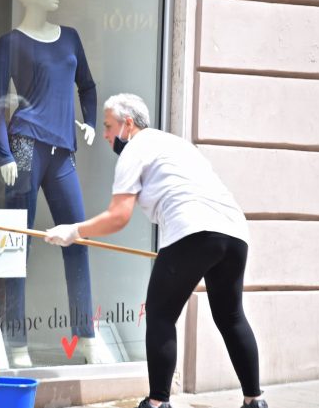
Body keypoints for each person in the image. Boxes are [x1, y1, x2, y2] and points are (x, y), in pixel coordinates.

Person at [45, 94, 267, 408]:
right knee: (231, 316)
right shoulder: (176, 145)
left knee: (161, 315)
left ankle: (157, 402)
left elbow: (119, 216)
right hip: (233, 232)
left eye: (108, 126)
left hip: (192, 229)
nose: (105, 134)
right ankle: (255, 400)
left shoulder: (134, 150)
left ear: (128, 124)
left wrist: (74, 231)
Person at [0, 0, 111, 367]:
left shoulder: (70, 38)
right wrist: (4, 154)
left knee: (77, 238)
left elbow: (87, 85)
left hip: (62, 152)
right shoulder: (10, 43)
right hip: (25, 146)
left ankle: (86, 337)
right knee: (18, 245)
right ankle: (16, 342)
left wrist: (89, 121)